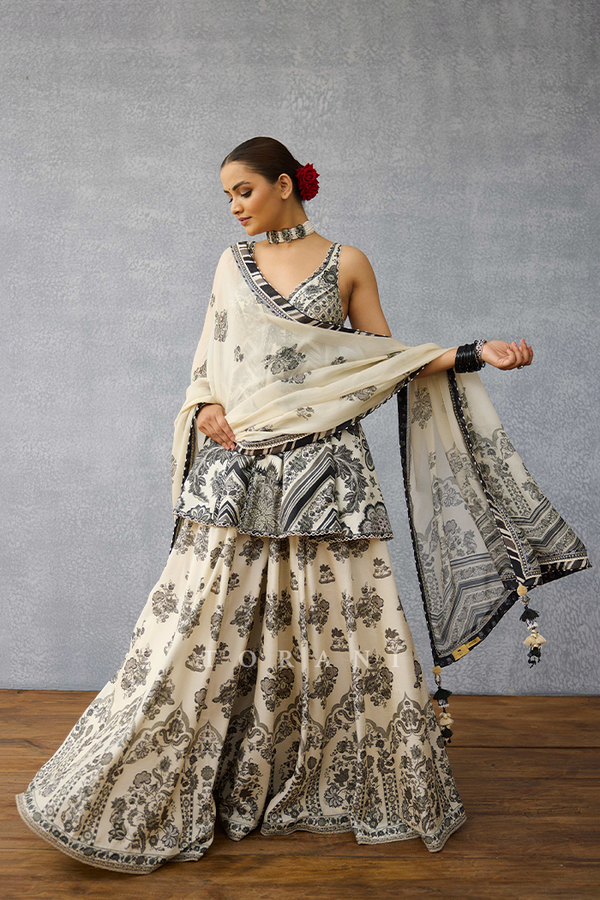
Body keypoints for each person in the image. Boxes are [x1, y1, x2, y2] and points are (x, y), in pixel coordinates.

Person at [16, 137, 590, 874]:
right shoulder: (230, 264)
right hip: (240, 468)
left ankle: (339, 780)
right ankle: (143, 786)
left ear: (285, 184)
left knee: (343, 628)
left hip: (329, 474)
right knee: (193, 630)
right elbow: (208, 361)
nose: (234, 207)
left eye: (244, 190)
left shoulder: (348, 262)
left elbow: (380, 361)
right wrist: (203, 406)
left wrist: (476, 353)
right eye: (228, 196)